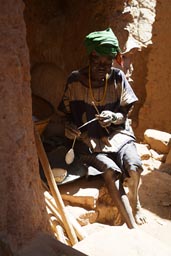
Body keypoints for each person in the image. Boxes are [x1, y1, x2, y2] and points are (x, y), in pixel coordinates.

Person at [59, 28, 146, 227]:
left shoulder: (117, 78)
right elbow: (65, 116)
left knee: (134, 167)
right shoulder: (74, 81)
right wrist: (69, 128)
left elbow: (125, 113)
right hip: (88, 140)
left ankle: (135, 202)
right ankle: (132, 226)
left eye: (107, 63)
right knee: (111, 172)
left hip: (119, 135)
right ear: (90, 57)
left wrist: (114, 117)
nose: (102, 67)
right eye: (97, 62)